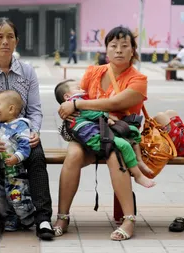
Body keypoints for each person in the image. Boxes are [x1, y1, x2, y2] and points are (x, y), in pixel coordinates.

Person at [0, 17, 54, 242]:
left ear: (17, 41)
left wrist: (34, 131)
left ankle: (43, 218)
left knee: (36, 157)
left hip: (21, 133)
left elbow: (35, 110)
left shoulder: (27, 72)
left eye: (10, 37)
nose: (5, 42)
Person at [55, 26, 147, 241]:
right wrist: (70, 109)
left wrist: (78, 104)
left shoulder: (139, 79)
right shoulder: (93, 72)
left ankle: (129, 219)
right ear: (106, 50)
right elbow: (74, 99)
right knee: (74, 154)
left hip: (120, 132)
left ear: (133, 50)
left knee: (115, 153)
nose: (119, 50)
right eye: (113, 46)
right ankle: (62, 216)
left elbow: (115, 102)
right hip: (90, 132)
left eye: (125, 46)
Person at [54, 79, 155, 188]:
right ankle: (137, 175)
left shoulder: (78, 101)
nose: (82, 90)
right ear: (67, 96)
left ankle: (139, 160)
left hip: (100, 129)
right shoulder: (74, 103)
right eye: (78, 88)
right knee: (124, 145)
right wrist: (107, 117)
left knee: (132, 130)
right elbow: (91, 113)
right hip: (93, 137)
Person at [0, 90, 36, 232]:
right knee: (1, 197)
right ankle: (9, 218)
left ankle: (26, 218)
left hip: (15, 171)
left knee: (17, 195)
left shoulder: (20, 126)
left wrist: (16, 157)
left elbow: (25, 146)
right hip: (0, 170)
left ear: (11, 109)